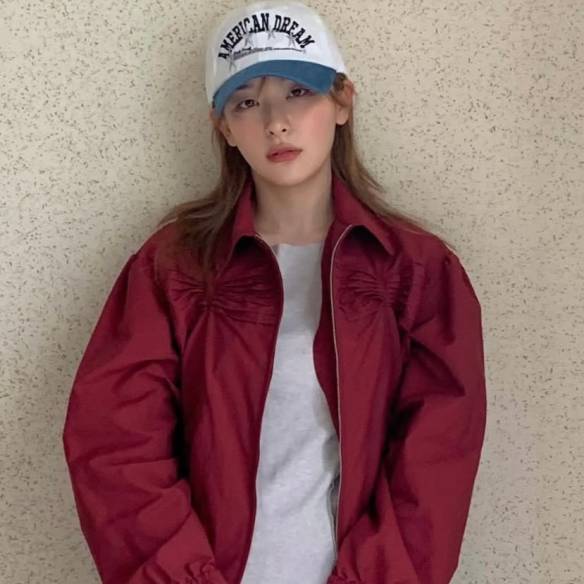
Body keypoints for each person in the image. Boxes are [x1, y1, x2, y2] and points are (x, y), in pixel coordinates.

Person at [62, 1, 487, 583]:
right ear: (223, 126)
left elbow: (436, 463)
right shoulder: (175, 268)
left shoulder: (417, 271)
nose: (275, 122)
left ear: (342, 102)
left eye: (297, 92)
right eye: (246, 102)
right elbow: (115, 444)